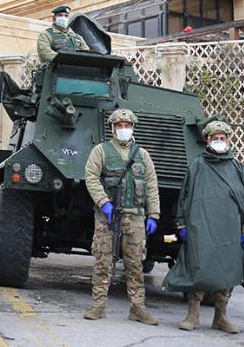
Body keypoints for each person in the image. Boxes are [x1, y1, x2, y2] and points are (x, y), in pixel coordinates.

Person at [162, 121, 244, 334]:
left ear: (228, 140)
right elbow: (183, 197)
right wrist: (181, 223)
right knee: (199, 268)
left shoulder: (237, 168)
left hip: (230, 230)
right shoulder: (197, 166)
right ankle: (192, 315)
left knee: (228, 271)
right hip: (201, 228)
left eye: (223, 139)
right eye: (215, 139)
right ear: (207, 141)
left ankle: (220, 317)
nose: (219, 142)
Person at [83, 109, 160, 325]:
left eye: (127, 125)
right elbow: (91, 177)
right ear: (112, 128)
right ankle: (98, 305)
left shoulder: (142, 155)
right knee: (103, 261)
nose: (123, 129)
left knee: (135, 264)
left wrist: (153, 214)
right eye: (119, 125)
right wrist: (103, 202)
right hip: (108, 217)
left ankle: (138, 308)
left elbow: (152, 185)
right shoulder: (101, 151)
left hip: (135, 217)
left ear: (133, 127)